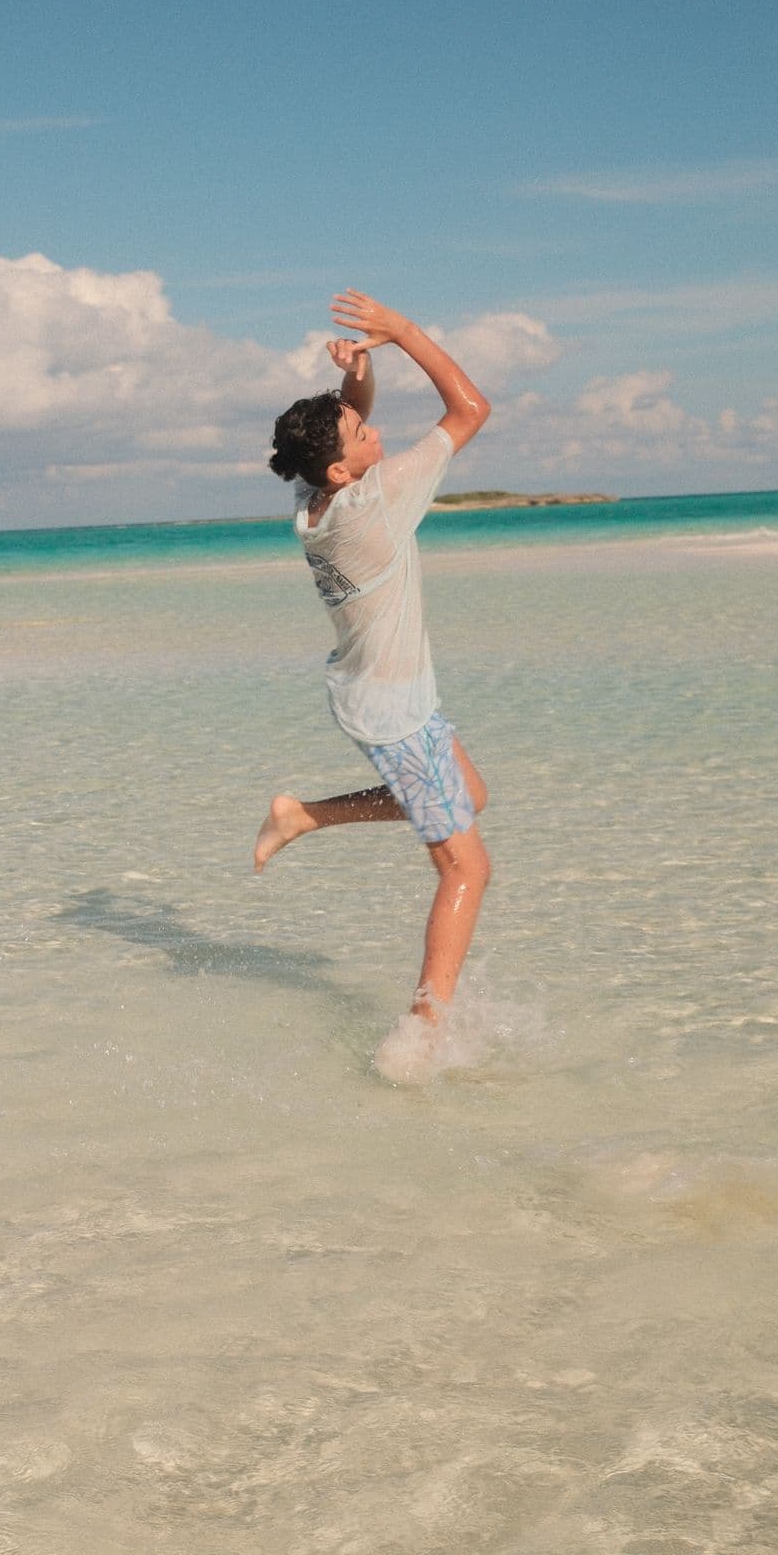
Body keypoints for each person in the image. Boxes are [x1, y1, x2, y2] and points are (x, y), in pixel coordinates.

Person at [254, 290, 492, 1075]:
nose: (375, 429)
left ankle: (305, 816)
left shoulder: (315, 502)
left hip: (377, 692)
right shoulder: (378, 502)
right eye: (363, 432)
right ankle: (423, 1029)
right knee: (467, 864)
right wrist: (404, 334)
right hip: (394, 712)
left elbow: (343, 428)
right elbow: (470, 407)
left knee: (470, 798)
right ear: (341, 466)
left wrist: (356, 376)